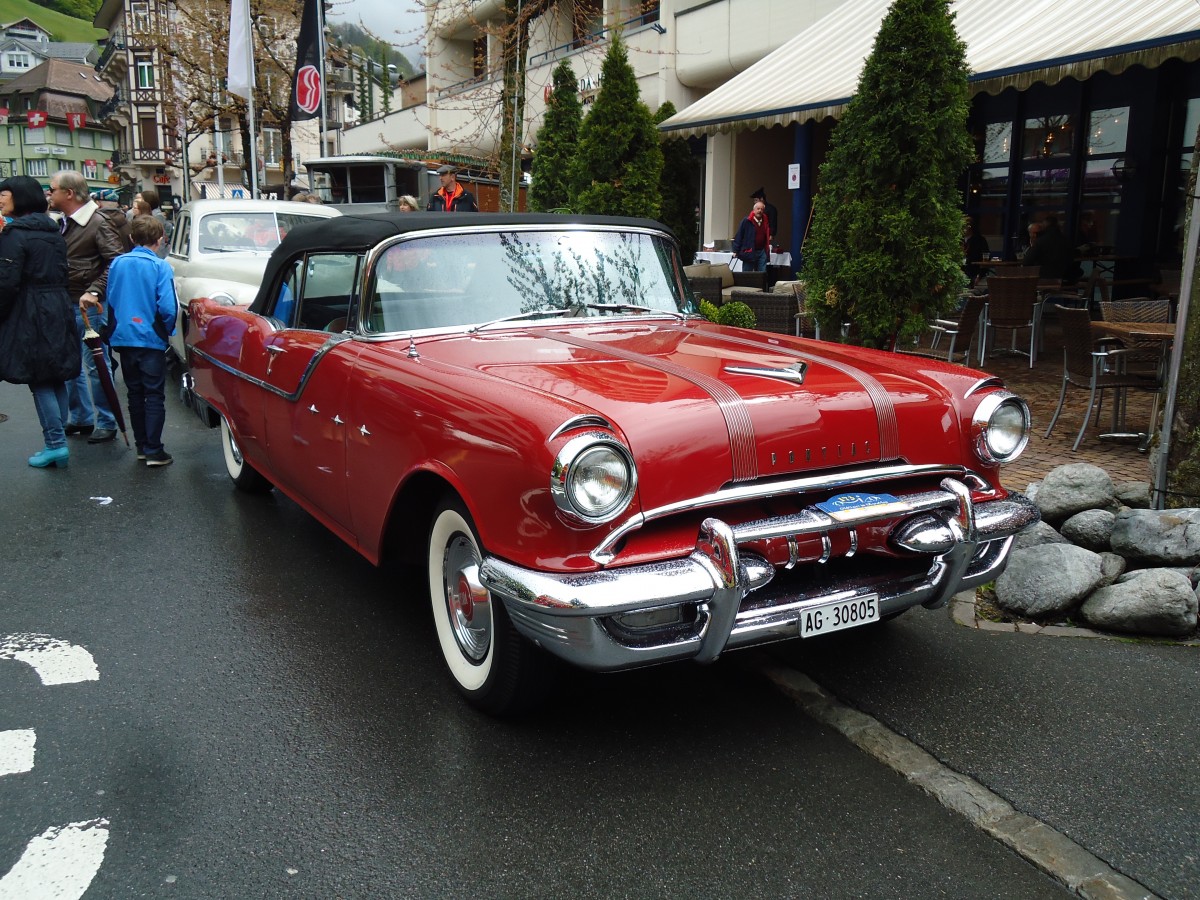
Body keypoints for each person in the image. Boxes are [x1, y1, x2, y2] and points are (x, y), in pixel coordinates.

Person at [0, 176, 81, 469]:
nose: (0, 200)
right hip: (58, 304)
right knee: (55, 374)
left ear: (19, 198)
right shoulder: (53, 231)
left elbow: (6, 283)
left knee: (39, 378)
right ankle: (57, 440)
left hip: (31, 309)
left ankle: (55, 444)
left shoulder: (14, 236)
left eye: (5, 194)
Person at [86, 215, 177, 467]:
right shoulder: (161, 267)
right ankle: (154, 449)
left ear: (130, 238)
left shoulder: (117, 264)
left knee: (135, 393)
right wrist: (166, 330)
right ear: (160, 241)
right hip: (150, 337)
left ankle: (141, 446)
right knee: (154, 394)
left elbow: (112, 298)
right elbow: (168, 307)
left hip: (124, 336)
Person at [49, 170, 127, 444]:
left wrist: (94, 290)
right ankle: (81, 417)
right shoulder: (66, 222)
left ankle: (106, 421)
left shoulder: (96, 222)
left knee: (96, 364)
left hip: (88, 304)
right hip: (68, 300)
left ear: (68, 193)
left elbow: (116, 262)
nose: (50, 194)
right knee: (72, 363)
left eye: (53, 189)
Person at [1023, 214, 1081, 283]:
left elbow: (1026, 262)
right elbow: (1072, 258)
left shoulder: (1041, 241)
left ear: (1044, 227)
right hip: (1064, 278)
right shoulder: (1066, 241)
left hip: (1043, 278)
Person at [732, 200, 771, 272]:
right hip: (749, 250)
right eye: (758, 209)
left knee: (762, 274)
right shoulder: (746, 221)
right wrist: (735, 250)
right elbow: (739, 235)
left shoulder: (765, 221)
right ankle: (745, 284)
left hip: (762, 251)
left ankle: (760, 284)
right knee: (747, 273)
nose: (760, 211)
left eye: (762, 209)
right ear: (754, 210)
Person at [963, 218, 989, 286]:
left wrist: (979, 275)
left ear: (969, 227)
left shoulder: (980, 240)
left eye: (963, 227)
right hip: (960, 272)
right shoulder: (959, 240)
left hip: (974, 272)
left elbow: (985, 258)